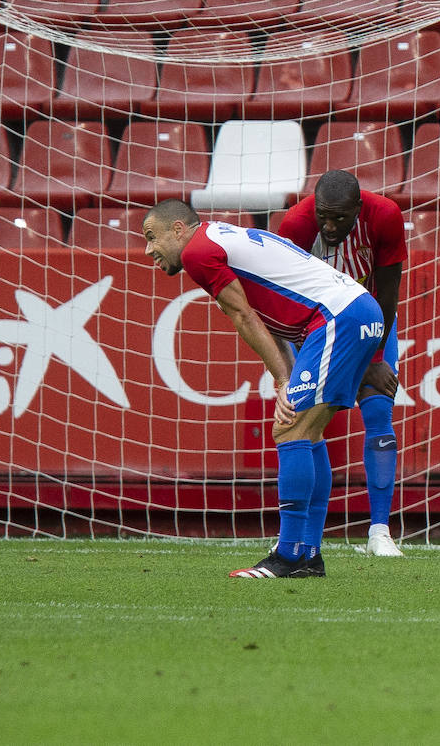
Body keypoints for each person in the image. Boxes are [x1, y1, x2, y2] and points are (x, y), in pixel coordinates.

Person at [142, 199, 385, 579]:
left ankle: (289, 554)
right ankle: (307, 555)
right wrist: (283, 376)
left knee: (291, 428)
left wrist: (287, 381)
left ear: (178, 229)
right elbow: (267, 315)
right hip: (357, 311)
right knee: (309, 432)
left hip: (336, 318)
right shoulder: (222, 237)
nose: (148, 249)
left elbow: (244, 315)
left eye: (151, 237)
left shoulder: (198, 252)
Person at [276, 170, 407, 557]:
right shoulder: (296, 225)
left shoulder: (385, 216)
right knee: (304, 422)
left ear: (358, 209)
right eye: (323, 217)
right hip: (312, 327)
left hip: (371, 320)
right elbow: (287, 296)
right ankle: (299, 537)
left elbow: (388, 292)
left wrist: (372, 358)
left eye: (340, 218)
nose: (330, 227)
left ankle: (379, 532)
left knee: (379, 409)